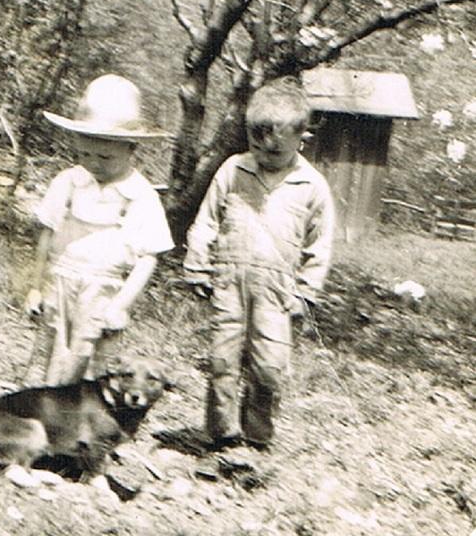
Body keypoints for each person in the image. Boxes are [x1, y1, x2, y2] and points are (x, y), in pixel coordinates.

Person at [183, 82, 335, 450]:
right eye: (257, 146)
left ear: (301, 137)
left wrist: (307, 291)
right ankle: (221, 436)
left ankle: (257, 437)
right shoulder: (232, 171)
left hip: (276, 291)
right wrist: (197, 264)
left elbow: (320, 244)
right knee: (223, 360)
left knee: (268, 367)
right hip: (229, 282)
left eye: (277, 150)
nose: (266, 155)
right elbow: (206, 221)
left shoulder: (311, 185)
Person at [25, 74, 174, 385]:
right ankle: (42, 416)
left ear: (132, 148)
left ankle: (79, 425)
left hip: (103, 292)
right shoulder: (67, 182)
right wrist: (37, 286)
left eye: (105, 156)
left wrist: (120, 305)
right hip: (62, 282)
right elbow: (46, 234)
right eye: (85, 154)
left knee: (90, 363)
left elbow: (148, 258)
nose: (94, 163)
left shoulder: (139, 195)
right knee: (49, 356)